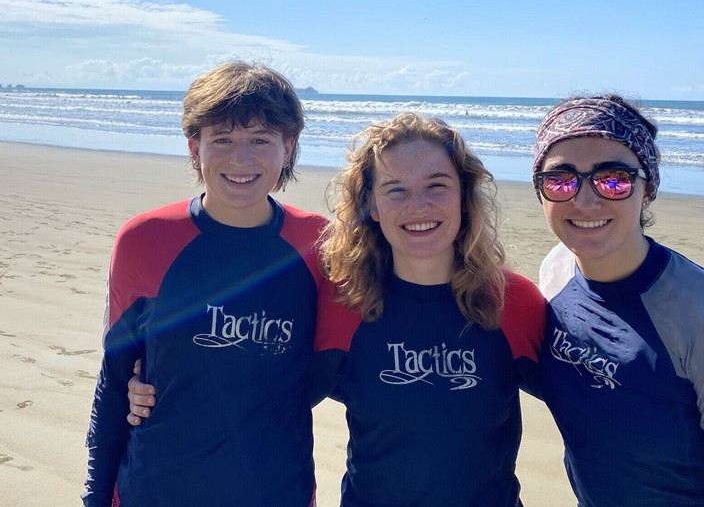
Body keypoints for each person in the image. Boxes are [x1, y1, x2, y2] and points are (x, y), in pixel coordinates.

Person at [127, 112, 546, 506]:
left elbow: (593, 402)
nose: (417, 205)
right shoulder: (345, 304)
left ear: (464, 196)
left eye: (437, 185)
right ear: (372, 206)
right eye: (394, 188)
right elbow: (260, 387)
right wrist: (153, 383)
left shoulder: (512, 303)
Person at [82, 62, 327, 507]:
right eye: (222, 139)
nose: (241, 159)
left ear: (288, 148)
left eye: (260, 140)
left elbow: (349, 365)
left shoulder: (322, 246)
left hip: (276, 490)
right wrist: (94, 498)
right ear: (195, 148)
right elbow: (116, 379)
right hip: (154, 489)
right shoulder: (144, 239)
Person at [532, 94, 704, 506]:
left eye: (613, 178)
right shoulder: (555, 274)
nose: (584, 200)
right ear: (541, 193)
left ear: (648, 188)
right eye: (561, 180)